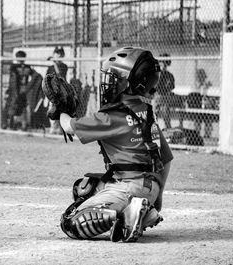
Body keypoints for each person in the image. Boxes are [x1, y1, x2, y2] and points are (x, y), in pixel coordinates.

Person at [58, 47, 173, 242]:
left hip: (129, 187)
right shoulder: (146, 112)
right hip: (150, 186)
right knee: (83, 188)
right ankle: (143, 212)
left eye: (113, 78)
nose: (108, 82)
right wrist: (157, 195)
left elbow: (69, 126)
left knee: (70, 222)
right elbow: (166, 158)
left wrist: (59, 111)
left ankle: (128, 216)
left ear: (126, 82)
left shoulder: (112, 116)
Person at [2, 50, 42, 130]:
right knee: (13, 106)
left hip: (20, 89)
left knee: (20, 106)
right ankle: (10, 124)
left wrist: (29, 86)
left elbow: (37, 76)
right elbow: (13, 79)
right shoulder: (16, 67)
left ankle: (21, 124)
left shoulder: (25, 67)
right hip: (17, 89)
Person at [46, 46, 68, 134]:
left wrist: (54, 63)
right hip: (52, 91)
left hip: (61, 91)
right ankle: (53, 127)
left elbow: (59, 75)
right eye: (57, 53)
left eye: (61, 54)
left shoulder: (64, 66)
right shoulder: (50, 67)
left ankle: (59, 128)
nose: (59, 55)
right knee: (51, 109)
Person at [154, 53, 177, 129]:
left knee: (166, 115)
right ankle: (153, 131)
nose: (163, 66)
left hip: (165, 97)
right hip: (157, 97)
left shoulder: (169, 75)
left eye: (164, 64)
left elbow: (171, 87)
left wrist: (167, 89)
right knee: (154, 114)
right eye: (161, 63)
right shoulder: (156, 74)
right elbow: (154, 87)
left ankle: (168, 131)